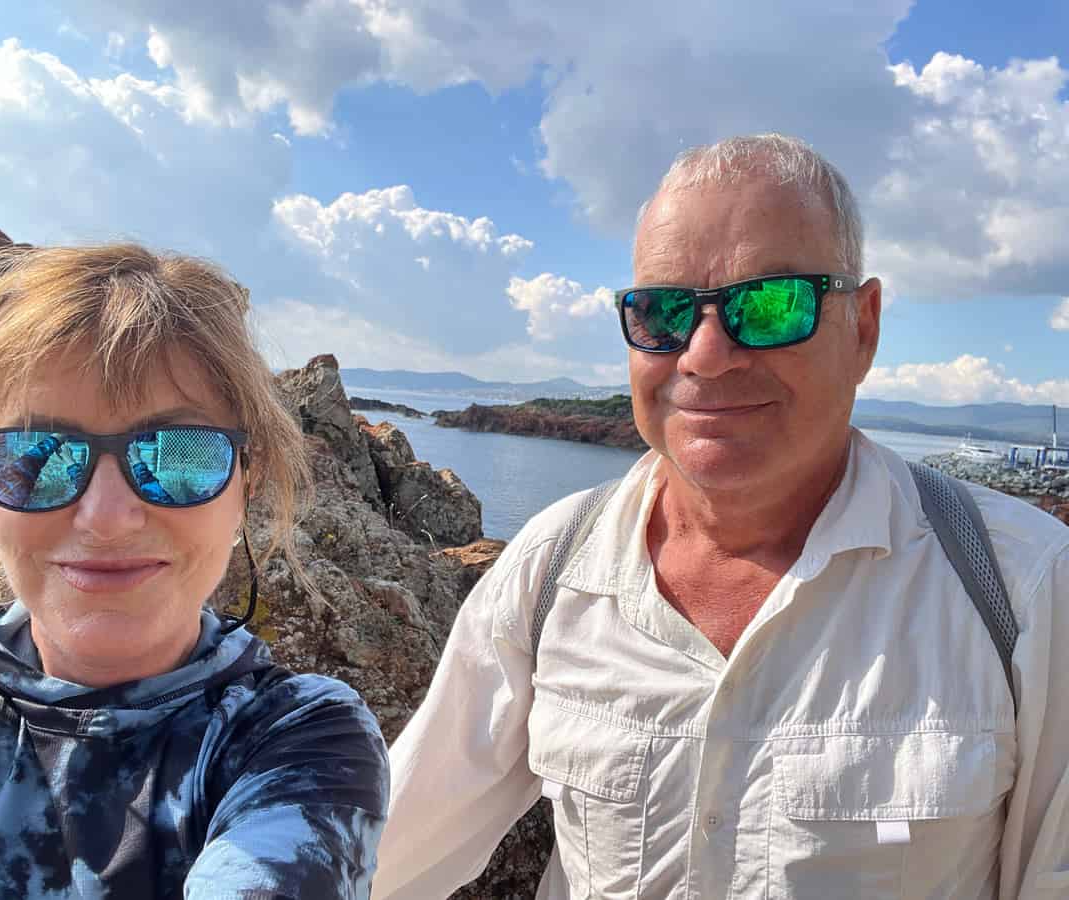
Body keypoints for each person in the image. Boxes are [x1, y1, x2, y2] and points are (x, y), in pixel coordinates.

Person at [373, 134, 1069, 899]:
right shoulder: (554, 567)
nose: (704, 355)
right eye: (662, 312)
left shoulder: (1021, 587)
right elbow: (384, 855)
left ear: (864, 327)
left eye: (769, 305)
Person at [0, 244, 389, 898]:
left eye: (178, 454)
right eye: (37, 455)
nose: (107, 518)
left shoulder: (296, 743)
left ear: (247, 480)